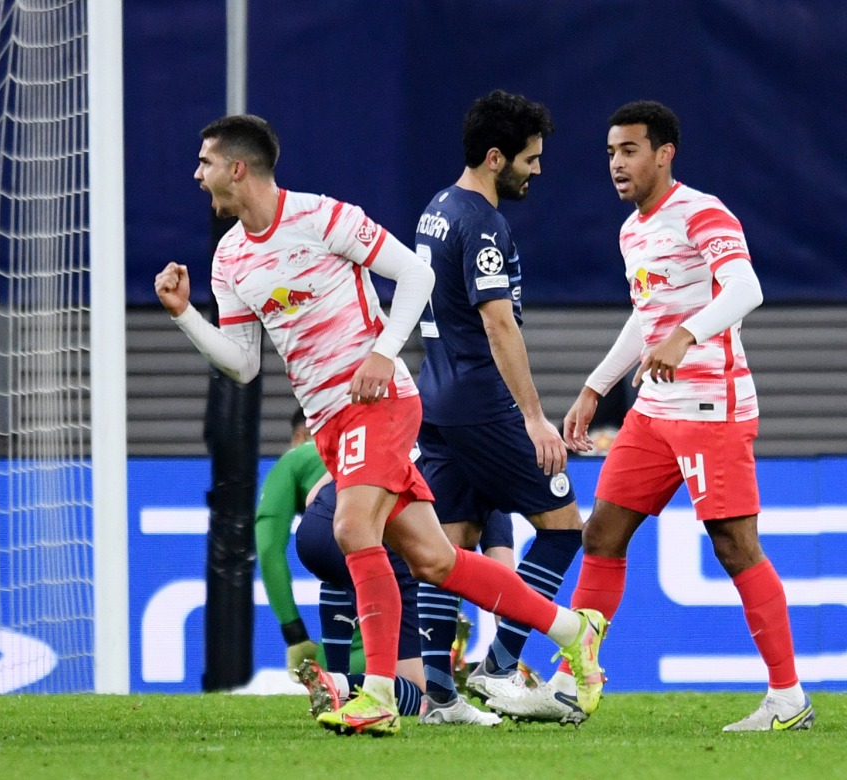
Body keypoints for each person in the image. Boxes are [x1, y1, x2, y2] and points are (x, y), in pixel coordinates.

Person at [156, 114, 606, 736]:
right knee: (434, 560)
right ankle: (572, 630)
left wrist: (382, 352)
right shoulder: (230, 259)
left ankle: (378, 696)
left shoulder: (322, 217)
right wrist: (185, 317)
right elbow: (241, 364)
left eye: (204, 162)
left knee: (349, 525)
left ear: (238, 168)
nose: (196, 174)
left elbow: (416, 274)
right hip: (330, 422)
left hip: (382, 402)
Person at [489, 100, 814, 732]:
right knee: (600, 536)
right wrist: (594, 386)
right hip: (654, 411)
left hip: (712, 408)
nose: (617, 163)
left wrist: (687, 335)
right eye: (611, 152)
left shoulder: (703, 212)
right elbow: (647, 314)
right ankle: (568, 687)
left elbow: (746, 289)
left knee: (734, 544)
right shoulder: (632, 230)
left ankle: (788, 698)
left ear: (665, 154)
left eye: (630, 150)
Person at [411, 90, 586, 721]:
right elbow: (498, 325)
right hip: (482, 404)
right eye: (530, 159)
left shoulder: (437, 208)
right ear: (495, 158)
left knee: (451, 546)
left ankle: (438, 696)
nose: (536, 170)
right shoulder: (481, 221)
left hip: (436, 398)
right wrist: (535, 418)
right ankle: (502, 667)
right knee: (564, 529)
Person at [295, 471, 517, 726]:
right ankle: (339, 684)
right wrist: (507, 657)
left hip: (315, 528)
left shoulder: (409, 435)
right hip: (382, 544)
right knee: (418, 688)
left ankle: (335, 684)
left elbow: (312, 497)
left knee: (343, 569)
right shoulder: (485, 471)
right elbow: (503, 575)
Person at [255, 408, 328, 679]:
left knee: (335, 670)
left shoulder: (296, 457)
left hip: (356, 553)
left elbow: (267, 548)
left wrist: (294, 633)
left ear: (299, 435)